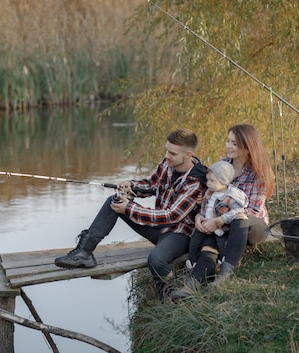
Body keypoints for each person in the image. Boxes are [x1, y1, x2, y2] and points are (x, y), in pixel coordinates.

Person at [54, 128, 207, 301]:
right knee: (115, 201)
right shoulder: (168, 164)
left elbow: (171, 216)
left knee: (155, 260)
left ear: (188, 154)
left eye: (172, 153)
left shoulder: (196, 181)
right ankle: (84, 253)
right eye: (166, 150)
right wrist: (131, 186)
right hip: (158, 227)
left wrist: (129, 209)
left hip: (180, 234)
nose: (166, 156)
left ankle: (168, 297)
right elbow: (152, 185)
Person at [172, 124, 274, 299]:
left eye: (234, 143)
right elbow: (208, 196)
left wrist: (219, 221)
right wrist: (200, 216)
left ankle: (226, 273)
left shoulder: (259, 174)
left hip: (252, 227)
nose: (228, 146)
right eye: (228, 141)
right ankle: (192, 285)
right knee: (208, 247)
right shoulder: (222, 165)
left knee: (239, 218)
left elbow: (252, 210)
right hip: (223, 226)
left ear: (248, 147)